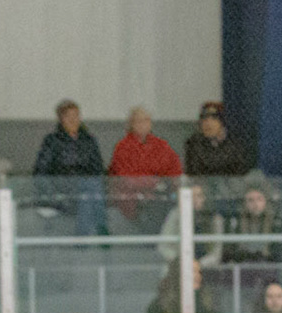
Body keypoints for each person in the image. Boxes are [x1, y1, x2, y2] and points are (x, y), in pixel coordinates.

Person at [33, 100, 107, 236]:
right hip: (61, 186)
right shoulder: (52, 140)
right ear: (61, 119)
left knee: (88, 194)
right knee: (90, 192)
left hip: (85, 187)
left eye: (76, 115)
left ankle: (83, 239)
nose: (73, 120)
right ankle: (101, 230)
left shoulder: (89, 140)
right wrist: (52, 194)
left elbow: (98, 167)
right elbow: (40, 171)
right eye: (68, 116)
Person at [108, 106, 182, 224]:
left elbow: (174, 170)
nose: (143, 124)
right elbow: (126, 179)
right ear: (131, 124)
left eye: (146, 120)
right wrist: (155, 182)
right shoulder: (123, 147)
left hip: (162, 195)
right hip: (135, 199)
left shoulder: (161, 145)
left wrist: (168, 183)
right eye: (139, 121)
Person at [183, 100, 250, 177]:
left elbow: (240, 172)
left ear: (222, 122)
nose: (208, 123)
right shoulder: (193, 143)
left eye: (213, 119)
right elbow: (194, 172)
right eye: (204, 119)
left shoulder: (236, 144)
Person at [145, 261, 216, 313]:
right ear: (178, 274)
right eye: (193, 271)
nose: (198, 276)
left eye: (199, 272)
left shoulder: (205, 303)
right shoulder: (159, 307)